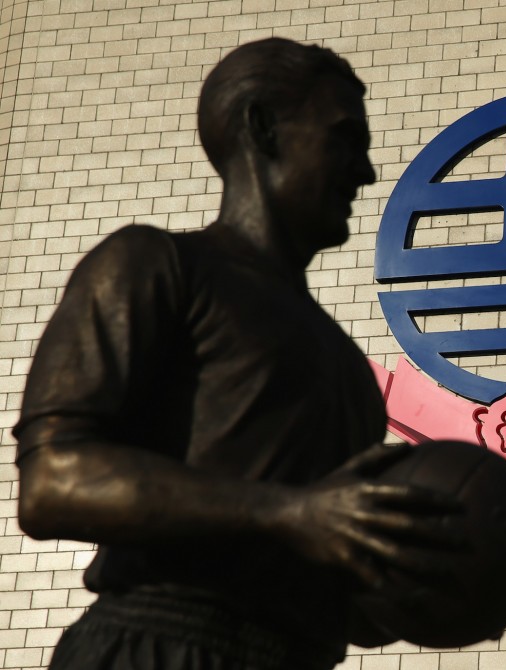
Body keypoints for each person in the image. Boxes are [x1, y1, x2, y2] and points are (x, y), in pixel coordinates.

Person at [15, 38, 473, 670]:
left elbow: (330, 589)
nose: (366, 172)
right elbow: (52, 483)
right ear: (262, 127)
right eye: (345, 138)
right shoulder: (154, 266)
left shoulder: (348, 370)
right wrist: (286, 511)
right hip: (156, 646)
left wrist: (464, 577)